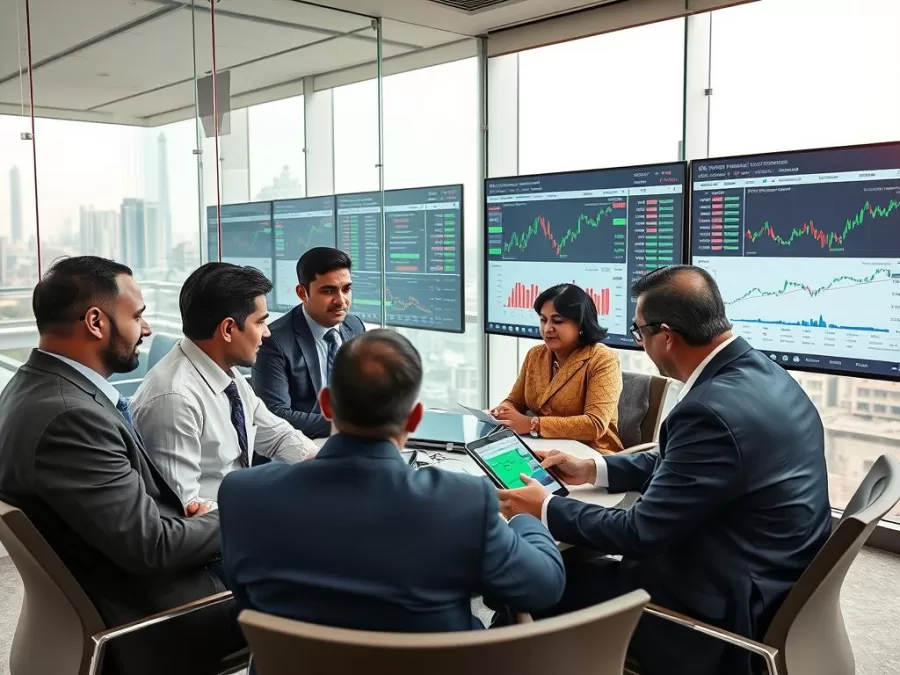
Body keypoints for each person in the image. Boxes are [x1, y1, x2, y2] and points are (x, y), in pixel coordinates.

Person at [497, 265, 832, 675]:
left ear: (667, 337)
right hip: (760, 570)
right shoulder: (761, 374)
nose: (640, 344)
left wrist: (545, 508)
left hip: (710, 610)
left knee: (522, 577)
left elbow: (640, 533)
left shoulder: (708, 411)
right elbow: (683, 461)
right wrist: (594, 468)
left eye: (639, 333)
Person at [220, 329, 565, 634]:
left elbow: (247, 595)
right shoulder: (463, 503)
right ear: (415, 418)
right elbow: (543, 587)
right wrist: (525, 519)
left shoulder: (243, 495)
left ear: (326, 405)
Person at [0, 256, 242, 675]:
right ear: (95, 321)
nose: (146, 329)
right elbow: (153, 548)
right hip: (150, 619)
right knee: (314, 590)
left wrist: (185, 521)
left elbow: (124, 521)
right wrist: (241, 516)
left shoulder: (29, 388)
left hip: (107, 585)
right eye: (138, 316)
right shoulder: (69, 418)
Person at [131, 263, 317, 509]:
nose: (267, 334)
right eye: (260, 322)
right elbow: (183, 508)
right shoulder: (174, 399)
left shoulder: (225, 373)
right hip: (215, 536)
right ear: (229, 329)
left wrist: (330, 465)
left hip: (238, 512)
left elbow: (277, 435)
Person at [491, 283, 623, 453]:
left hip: (590, 455)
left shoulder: (602, 359)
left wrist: (533, 424)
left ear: (581, 324)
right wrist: (504, 411)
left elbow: (594, 425)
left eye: (557, 321)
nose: (547, 329)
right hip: (541, 447)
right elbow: (515, 401)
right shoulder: (535, 354)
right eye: (543, 320)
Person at [252, 247, 366, 439]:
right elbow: (275, 414)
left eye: (346, 289)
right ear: (302, 293)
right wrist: (346, 426)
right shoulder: (274, 341)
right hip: (294, 449)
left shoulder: (354, 326)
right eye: (328, 291)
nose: (341, 301)